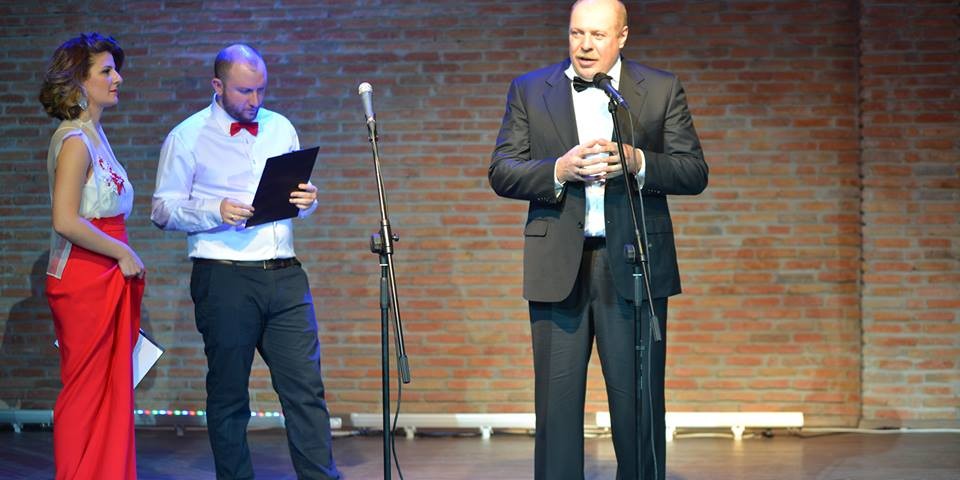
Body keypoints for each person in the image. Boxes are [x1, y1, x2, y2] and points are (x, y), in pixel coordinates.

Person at [488, 0, 708, 479]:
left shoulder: (660, 88)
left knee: (638, 402)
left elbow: (694, 171)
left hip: (632, 263)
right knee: (556, 406)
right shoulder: (530, 89)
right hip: (557, 265)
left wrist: (639, 161)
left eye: (598, 35)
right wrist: (557, 170)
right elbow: (502, 170)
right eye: (576, 33)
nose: (585, 45)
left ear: (622, 36)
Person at [151, 44, 340, 480]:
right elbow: (161, 210)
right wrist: (214, 210)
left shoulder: (281, 127)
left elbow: (294, 197)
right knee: (230, 394)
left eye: (261, 90)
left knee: (306, 390)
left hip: (285, 274)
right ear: (217, 86)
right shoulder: (186, 137)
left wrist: (308, 201)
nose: (255, 100)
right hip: (225, 277)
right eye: (244, 91)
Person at [39, 32, 146, 480]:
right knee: (86, 390)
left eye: (115, 69)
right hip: (85, 274)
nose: (117, 78)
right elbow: (65, 220)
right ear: (79, 82)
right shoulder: (75, 141)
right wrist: (121, 250)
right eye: (106, 71)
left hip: (105, 269)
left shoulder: (94, 134)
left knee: (110, 389)